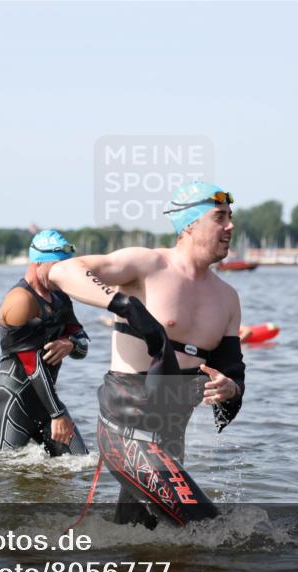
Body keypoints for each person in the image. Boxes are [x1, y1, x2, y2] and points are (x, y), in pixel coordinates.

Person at [48, 181, 245, 529]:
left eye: (230, 216)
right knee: (206, 527)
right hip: (125, 426)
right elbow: (62, 271)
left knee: (144, 538)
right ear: (189, 225)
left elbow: (232, 369)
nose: (230, 226)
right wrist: (124, 305)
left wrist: (230, 387)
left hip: (171, 434)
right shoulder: (147, 264)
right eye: (219, 217)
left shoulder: (227, 298)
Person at [0, 230, 90, 457]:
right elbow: (31, 365)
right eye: (58, 268)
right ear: (37, 264)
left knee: (81, 464)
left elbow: (83, 344)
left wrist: (70, 344)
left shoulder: (61, 297)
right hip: (14, 399)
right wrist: (57, 414)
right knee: (3, 474)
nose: (63, 275)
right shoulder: (20, 301)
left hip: (46, 399)